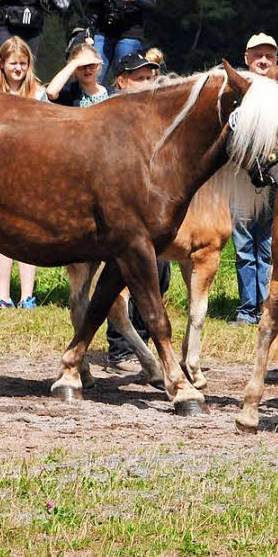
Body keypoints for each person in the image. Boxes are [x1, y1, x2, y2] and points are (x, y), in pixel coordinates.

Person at [103, 51, 173, 371]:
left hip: (148, 213)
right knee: (123, 276)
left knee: (159, 273)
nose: (147, 83)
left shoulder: (157, 119)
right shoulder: (109, 115)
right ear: (121, 81)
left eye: (150, 77)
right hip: (114, 212)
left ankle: (142, 341)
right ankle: (119, 350)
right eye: (139, 78)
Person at [230, 33, 278, 326]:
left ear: (277, 59)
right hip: (243, 176)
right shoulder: (237, 84)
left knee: (270, 244)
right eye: (257, 55)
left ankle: (268, 306)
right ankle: (247, 308)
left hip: (276, 174)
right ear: (246, 58)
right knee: (243, 245)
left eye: (269, 55)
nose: (263, 60)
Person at [0, 36, 47, 308]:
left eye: (23, 63)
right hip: (0, 169)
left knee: (28, 232)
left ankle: (27, 295)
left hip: (31, 169)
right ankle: (2, 295)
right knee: (1, 234)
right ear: (2, 64)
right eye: (13, 63)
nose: (18, 68)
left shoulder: (38, 93)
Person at [46, 42, 109, 107]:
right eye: (81, 66)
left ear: (98, 65)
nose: (87, 70)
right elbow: (51, 92)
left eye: (92, 64)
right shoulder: (70, 92)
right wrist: (76, 62)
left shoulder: (110, 93)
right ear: (74, 69)